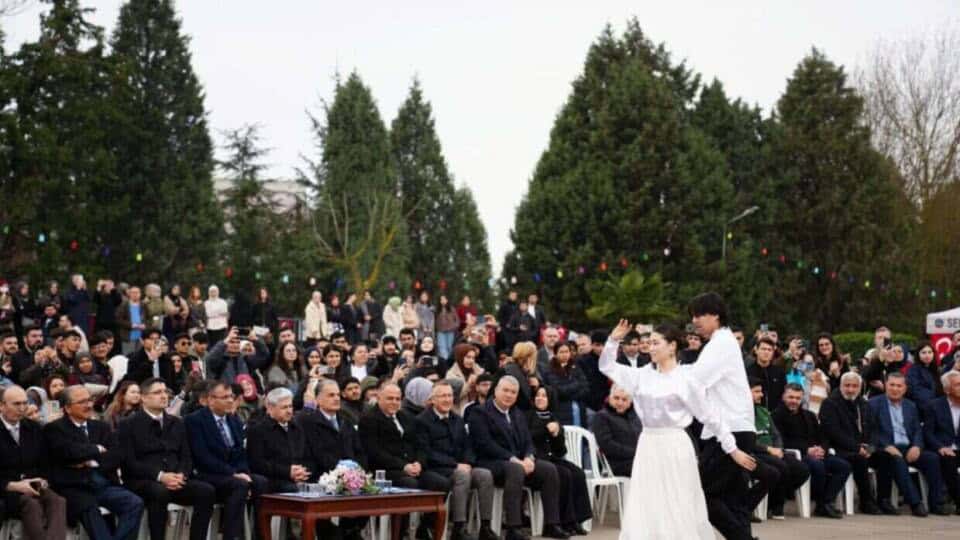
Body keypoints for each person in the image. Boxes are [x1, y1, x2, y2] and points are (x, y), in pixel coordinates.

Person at [599, 319, 754, 539]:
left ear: (672, 346)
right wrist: (613, 340)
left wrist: (732, 448)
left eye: (656, 343)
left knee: (677, 501)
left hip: (675, 446)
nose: (650, 347)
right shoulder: (641, 375)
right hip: (648, 445)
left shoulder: (687, 377)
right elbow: (606, 366)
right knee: (647, 503)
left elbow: (710, 415)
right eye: (649, 343)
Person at [685, 293, 759, 540]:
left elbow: (695, 381)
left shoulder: (720, 344)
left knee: (701, 495)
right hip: (735, 428)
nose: (695, 321)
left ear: (715, 315)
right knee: (733, 498)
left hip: (729, 431)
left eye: (699, 315)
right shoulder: (721, 342)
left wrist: (666, 374)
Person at [468, 376, 567, 540]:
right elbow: (485, 444)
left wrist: (529, 457)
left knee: (549, 469)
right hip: (490, 462)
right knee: (515, 469)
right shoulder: (480, 412)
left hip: (518, 462)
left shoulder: (517, 413)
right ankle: (513, 528)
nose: (509, 395)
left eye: (513, 392)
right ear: (496, 390)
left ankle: (552, 524)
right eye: (505, 391)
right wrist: (513, 459)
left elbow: (528, 441)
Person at [117, 377, 215, 540]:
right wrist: (161, 476)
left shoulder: (177, 423)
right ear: (143, 398)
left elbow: (186, 457)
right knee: (159, 492)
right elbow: (129, 462)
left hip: (175, 479)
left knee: (206, 491)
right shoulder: (128, 424)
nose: (164, 396)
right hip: (144, 480)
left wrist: (182, 474)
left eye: (165, 392)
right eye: (157, 392)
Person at [43, 385, 144, 540]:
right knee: (90, 509)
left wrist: (90, 462)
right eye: (82, 402)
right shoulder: (54, 429)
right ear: (68, 408)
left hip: (103, 483)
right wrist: (96, 449)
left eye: (89, 400)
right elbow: (67, 453)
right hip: (74, 487)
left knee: (134, 503)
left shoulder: (101, 426)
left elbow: (116, 455)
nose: (89, 405)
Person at [413, 381, 497, 540]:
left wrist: (468, 462)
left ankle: (485, 527)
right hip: (437, 469)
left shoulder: (457, 419)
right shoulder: (422, 421)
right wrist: (456, 465)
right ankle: (459, 528)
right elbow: (427, 453)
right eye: (443, 396)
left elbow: (468, 446)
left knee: (485, 475)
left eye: (450, 395)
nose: (447, 399)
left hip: (460, 466)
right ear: (433, 400)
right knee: (462, 476)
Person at [185, 382, 267, 540]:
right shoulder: (194, 421)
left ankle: (260, 534)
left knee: (260, 482)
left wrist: (243, 472)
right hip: (207, 473)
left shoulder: (234, 420)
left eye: (231, 397)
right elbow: (202, 457)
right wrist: (233, 474)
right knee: (239, 485)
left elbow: (241, 453)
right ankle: (231, 536)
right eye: (225, 397)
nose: (230, 401)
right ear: (210, 400)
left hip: (232, 474)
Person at [867, 371, 945, 516]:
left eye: (899, 386)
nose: (895, 389)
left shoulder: (911, 406)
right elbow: (871, 431)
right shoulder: (873, 404)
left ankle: (936, 503)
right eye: (891, 385)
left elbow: (917, 430)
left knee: (932, 458)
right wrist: (885, 446)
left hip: (908, 447)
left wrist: (916, 446)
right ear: (885, 385)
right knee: (896, 460)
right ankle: (915, 503)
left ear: (905, 388)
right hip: (886, 449)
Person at [772, 383, 850, 518]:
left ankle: (825, 502)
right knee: (817, 466)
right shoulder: (776, 416)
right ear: (783, 396)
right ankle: (820, 502)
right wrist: (807, 450)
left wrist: (822, 449)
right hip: (796, 455)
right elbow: (781, 441)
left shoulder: (809, 415)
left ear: (802, 399)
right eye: (790, 397)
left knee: (843, 466)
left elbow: (823, 436)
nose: (794, 401)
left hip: (816, 453)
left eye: (797, 398)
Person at [0, 385, 67, 540]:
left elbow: (45, 461)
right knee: (32, 504)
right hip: (7, 489)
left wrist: (43, 479)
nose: (22, 408)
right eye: (16, 404)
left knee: (58, 501)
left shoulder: (33, 428)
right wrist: (13, 485)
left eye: (25, 403)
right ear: (2, 405)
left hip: (34, 484)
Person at [526, 386, 592, 536]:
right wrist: (546, 430)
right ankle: (563, 522)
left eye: (544, 396)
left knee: (577, 473)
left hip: (552, 458)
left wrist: (556, 435)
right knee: (564, 474)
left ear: (550, 400)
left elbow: (561, 451)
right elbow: (528, 438)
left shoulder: (553, 418)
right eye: (538, 395)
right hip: (535, 459)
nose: (540, 398)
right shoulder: (528, 415)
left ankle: (576, 520)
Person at [817, 372, 881, 514]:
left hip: (863, 448)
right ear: (840, 386)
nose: (851, 389)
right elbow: (833, 432)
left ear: (860, 387)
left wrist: (870, 447)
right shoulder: (830, 403)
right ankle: (866, 502)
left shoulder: (864, 404)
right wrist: (857, 448)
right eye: (847, 386)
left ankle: (884, 500)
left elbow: (874, 430)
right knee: (859, 460)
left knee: (887, 458)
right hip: (840, 448)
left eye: (854, 386)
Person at [750, 378, 809, 520]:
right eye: (757, 392)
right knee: (781, 467)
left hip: (773, 451)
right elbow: (746, 440)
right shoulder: (741, 413)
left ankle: (773, 501)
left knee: (802, 470)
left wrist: (778, 449)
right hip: (756, 452)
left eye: (761, 391)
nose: (761, 395)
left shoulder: (763, 411)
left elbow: (776, 435)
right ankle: (776, 506)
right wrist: (768, 449)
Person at [247, 388, 313, 493]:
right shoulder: (258, 430)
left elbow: (307, 456)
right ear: (270, 408)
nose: (289, 411)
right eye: (284, 407)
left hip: (298, 477)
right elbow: (257, 464)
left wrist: (302, 472)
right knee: (291, 489)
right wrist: (288, 472)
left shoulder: (296, 428)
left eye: (290, 406)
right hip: (273, 479)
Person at [923, 370, 960, 515]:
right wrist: (940, 447)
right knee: (948, 460)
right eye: (958, 385)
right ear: (947, 389)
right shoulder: (934, 406)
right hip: (943, 449)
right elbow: (928, 433)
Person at [590, 385, 642, 477]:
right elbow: (607, 445)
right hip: (616, 463)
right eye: (616, 398)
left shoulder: (636, 418)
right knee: (646, 467)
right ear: (610, 398)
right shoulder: (602, 417)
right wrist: (635, 453)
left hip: (637, 458)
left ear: (630, 402)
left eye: (624, 399)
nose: (620, 403)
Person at [541, 341, 588, 426]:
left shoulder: (575, 366)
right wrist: (576, 383)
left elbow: (585, 388)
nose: (565, 354)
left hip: (579, 409)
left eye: (567, 351)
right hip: (561, 411)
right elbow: (559, 391)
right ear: (555, 354)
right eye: (561, 352)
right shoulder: (549, 370)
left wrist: (571, 393)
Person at [746, 337, 786, 410]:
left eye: (769, 350)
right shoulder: (747, 372)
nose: (766, 352)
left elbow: (783, 395)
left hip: (775, 415)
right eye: (763, 349)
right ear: (756, 350)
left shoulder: (779, 373)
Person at [906, 342, 942, 417]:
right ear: (918, 354)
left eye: (930, 352)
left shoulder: (936, 370)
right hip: (922, 410)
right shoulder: (913, 370)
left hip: (936, 409)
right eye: (923, 352)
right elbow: (916, 390)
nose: (927, 355)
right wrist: (935, 404)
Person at [435, 295, 460, 361]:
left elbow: (457, 320)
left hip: (450, 331)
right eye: (441, 300)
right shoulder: (437, 309)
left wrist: (454, 326)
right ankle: (445, 362)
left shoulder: (451, 308)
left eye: (444, 299)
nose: (443, 301)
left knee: (449, 347)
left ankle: (449, 362)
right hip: (440, 331)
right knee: (442, 347)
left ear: (447, 300)